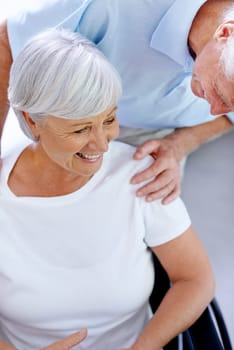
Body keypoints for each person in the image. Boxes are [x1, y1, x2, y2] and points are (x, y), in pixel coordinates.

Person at [0, 28, 214, 350]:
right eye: (81, 128)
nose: (102, 142)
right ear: (32, 121)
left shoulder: (141, 174)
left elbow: (196, 280)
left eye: (110, 119)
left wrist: (143, 348)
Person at [0, 0, 234, 206]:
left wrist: (180, 143)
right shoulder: (108, 7)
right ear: (224, 33)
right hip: (73, 119)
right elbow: (7, 42)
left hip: (157, 138)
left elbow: (225, 116)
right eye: (219, 94)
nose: (214, 110)